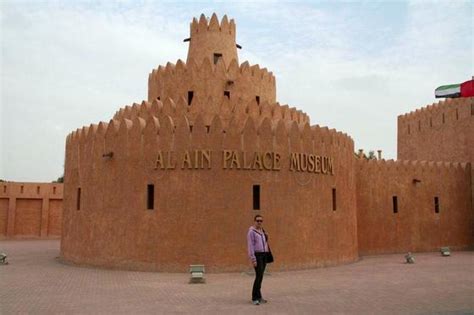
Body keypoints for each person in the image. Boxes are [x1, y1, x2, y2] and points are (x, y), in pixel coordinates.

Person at [247, 214, 269, 305]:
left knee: (261, 277)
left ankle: (259, 296)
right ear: (254, 221)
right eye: (258, 220)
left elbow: (264, 243)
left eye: (261, 221)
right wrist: (253, 259)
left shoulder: (262, 231)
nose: (259, 222)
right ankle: (254, 297)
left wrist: (266, 236)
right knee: (258, 276)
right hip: (257, 255)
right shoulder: (251, 232)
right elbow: (250, 246)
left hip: (264, 255)